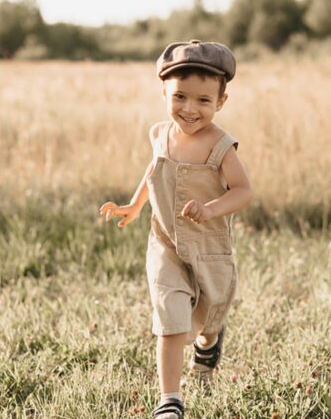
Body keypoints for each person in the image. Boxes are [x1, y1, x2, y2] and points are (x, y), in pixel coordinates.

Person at [99, 39, 253, 419]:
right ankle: (170, 400)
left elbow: (244, 191)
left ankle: (208, 344)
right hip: (166, 243)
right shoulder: (159, 134)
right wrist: (134, 206)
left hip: (209, 246)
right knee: (169, 320)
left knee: (209, 317)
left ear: (221, 102)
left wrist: (210, 208)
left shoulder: (220, 145)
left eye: (203, 100)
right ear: (164, 92)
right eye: (180, 96)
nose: (189, 108)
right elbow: (155, 171)